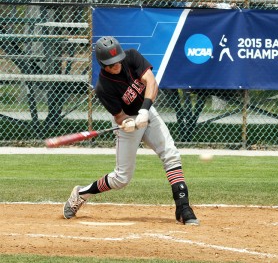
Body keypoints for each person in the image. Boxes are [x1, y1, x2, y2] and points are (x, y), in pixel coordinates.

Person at [63, 36, 199, 225]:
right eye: (110, 64)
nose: (116, 65)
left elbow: (151, 83)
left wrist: (144, 110)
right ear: (103, 65)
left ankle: (183, 208)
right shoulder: (103, 87)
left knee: (171, 155)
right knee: (121, 179)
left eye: (117, 60)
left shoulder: (132, 56)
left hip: (146, 110)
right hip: (128, 122)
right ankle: (82, 193)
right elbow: (118, 116)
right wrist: (126, 122)